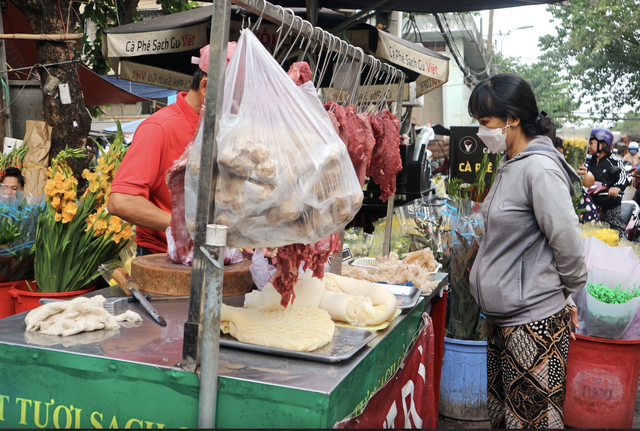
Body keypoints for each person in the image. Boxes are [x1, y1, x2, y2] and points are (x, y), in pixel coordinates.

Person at [468, 73, 587, 429]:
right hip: (504, 319)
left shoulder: (539, 168)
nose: (480, 131)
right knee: (507, 417)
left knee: (532, 419)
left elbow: (566, 240)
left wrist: (566, 294)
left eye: (485, 122)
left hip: (533, 322)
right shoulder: (509, 164)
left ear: (513, 118)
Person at [108, 43, 235, 256]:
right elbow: (121, 202)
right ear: (205, 87)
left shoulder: (225, 129)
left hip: (219, 256)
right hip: (165, 259)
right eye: (233, 97)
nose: (237, 108)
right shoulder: (159, 128)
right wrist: (187, 228)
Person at [585, 128, 628, 238]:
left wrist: (617, 187)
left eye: (591, 143)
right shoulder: (586, 162)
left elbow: (623, 176)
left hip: (609, 205)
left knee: (617, 234)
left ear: (603, 144)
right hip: (588, 204)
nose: (588, 146)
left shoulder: (615, 160)